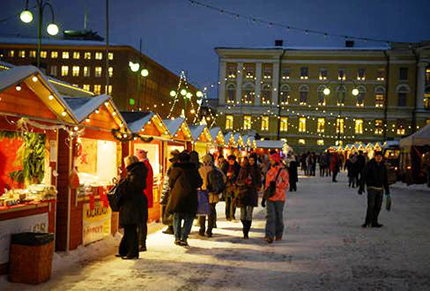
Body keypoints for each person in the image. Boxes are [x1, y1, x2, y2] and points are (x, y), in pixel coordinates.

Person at [167, 152, 202, 246]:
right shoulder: (193, 169)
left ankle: (177, 237)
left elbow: (170, 183)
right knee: (189, 217)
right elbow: (199, 183)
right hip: (191, 196)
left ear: (179, 159)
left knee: (177, 217)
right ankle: (184, 237)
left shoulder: (175, 169)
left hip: (177, 196)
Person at [117, 155, 147, 259]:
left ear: (129, 163)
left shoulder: (135, 173)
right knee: (129, 228)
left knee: (130, 228)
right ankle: (124, 250)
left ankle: (132, 252)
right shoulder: (138, 171)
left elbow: (131, 188)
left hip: (132, 204)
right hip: (136, 203)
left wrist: (121, 183)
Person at [262, 153, 289, 243]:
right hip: (270, 197)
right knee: (270, 216)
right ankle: (269, 235)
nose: (270, 161)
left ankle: (278, 234)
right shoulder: (269, 172)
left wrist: (276, 185)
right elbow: (266, 186)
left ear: (276, 160)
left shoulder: (283, 171)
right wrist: (264, 197)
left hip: (280, 197)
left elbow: (285, 185)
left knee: (278, 217)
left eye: (272, 159)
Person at [358, 151, 390, 228]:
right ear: (375, 156)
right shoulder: (370, 164)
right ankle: (367, 222)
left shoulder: (383, 166)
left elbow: (385, 179)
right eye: (377, 156)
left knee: (378, 206)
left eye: (380, 156)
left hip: (380, 189)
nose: (379, 157)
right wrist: (361, 187)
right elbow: (364, 175)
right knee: (371, 205)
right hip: (371, 187)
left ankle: (374, 222)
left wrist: (387, 190)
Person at [198, 154, 226, 237]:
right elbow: (224, 179)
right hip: (213, 194)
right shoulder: (216, 169)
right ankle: (209, 230)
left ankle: (202, 229)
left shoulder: (200, 170)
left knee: (202, 213)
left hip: (202, 193)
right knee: (211, 212)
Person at [238, 155, 261, 238]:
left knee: (249, 213)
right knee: (242, 214)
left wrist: (254, 184)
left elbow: (259, 181)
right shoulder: (243, 169)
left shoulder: (257, 169)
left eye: (253, 160)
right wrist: (245, 181)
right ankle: (245, 226)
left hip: (252, 192)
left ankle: (246, 232)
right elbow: (238, 180)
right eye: (250, 160)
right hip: (243, 192)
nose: (251, 162)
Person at [135, 149, 152, 252]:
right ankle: (141, 243)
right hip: (145, 196)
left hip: (142, 196)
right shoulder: (147, 165)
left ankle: (141, 243)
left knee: (140, 221)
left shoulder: (143, 167)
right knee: (141, 221)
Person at [160, 149, 180, 235]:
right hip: (174, 192)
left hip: (171, 192)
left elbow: (169, 182)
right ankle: (173, 227)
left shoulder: (173, 168)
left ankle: (171, 227)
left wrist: (166, 193)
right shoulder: (178, 167)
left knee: (170, 210)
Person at [221, 155, 241, 221]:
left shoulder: (237, 166)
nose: (231, 162)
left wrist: (234, 178)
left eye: (232, 161)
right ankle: (227, 215)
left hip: (235, 186)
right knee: (228, 201)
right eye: (230, 160)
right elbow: (221, 175)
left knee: (233, 201)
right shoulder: (224, 166)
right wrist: (226, 176)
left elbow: (239, 176)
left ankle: (232, 215)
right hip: (227, 186)